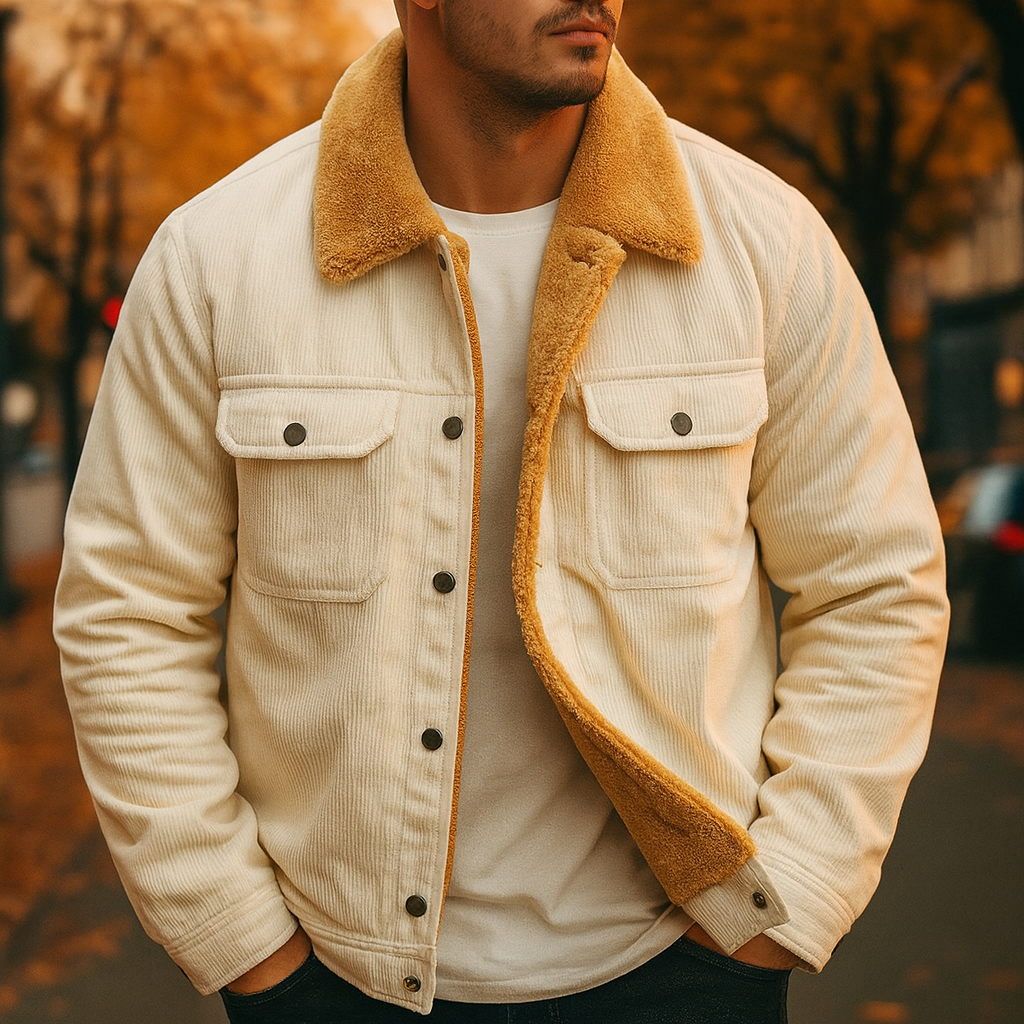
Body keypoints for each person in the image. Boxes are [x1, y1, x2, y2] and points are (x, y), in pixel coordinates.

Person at [53, 1, 949, 1021]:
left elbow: (876, 585)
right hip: (334, 983)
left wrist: (778, 908)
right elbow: (126, 614)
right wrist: (242, 945)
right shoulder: (219, 259)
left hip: (684, 967)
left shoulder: (763, 244)